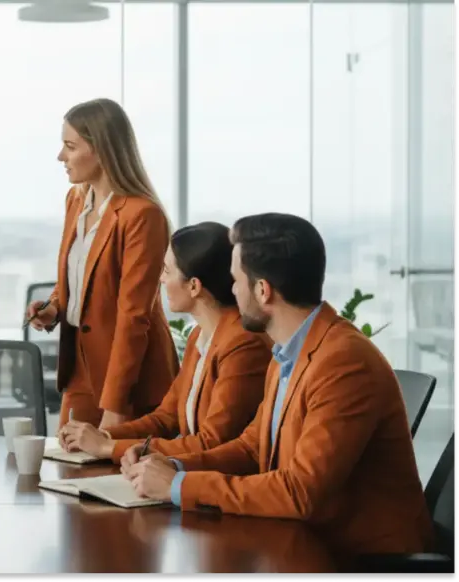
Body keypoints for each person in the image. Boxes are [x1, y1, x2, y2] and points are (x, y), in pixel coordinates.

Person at [126, 213, 434, 557]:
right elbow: (252, 446)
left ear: (262, 290)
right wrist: (176, 467)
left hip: (362, 557)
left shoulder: (344, 362)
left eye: (235, 281)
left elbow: (300, 491)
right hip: (303, 541)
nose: (230, 291)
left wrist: (180, 486)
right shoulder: (289, 350)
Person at [60, 222, 271, 463]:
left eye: (167, 271)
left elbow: (212, 443)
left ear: (194, 286)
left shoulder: (243, 344)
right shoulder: (200, 336)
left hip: (213, 483)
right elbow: (165, 418)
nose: (161, 279)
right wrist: (103, 435)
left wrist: (109, 448)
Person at [26, 98, 179, 431]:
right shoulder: (77, 200)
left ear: (101, 150)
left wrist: (116, 404)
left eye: (70, 146)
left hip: (127, 377)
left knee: (112, 477)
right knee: (66, 474)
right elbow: (79, 277)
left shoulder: (142, 215)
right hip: (78, 371)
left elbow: (134, 315)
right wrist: (54, 306)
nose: (60, 156)